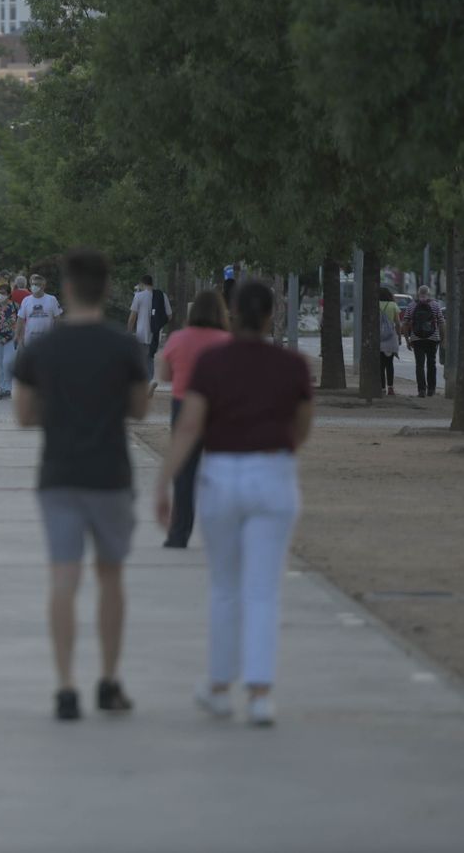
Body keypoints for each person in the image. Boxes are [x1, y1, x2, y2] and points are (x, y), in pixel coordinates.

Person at [153, 280, 313, 727]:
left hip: (222, 475)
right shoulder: (292, 365)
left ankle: (220, 686)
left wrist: (163, 484)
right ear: (271, 316)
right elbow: (301, 428)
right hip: (273, 473)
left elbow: (189, 428)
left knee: (225, 588)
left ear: (235, 312)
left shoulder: (211, 363)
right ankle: (260, 694)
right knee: (263, 589)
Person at [14, 248, 150, 721]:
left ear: (65, 290)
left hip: (59, 475)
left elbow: (24, 416)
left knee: (63, 578)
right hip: (110, 475)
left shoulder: (40, 350)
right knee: (110, 576)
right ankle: (109, 680)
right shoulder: (124, 347)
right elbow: (138, 410)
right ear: (108, 289)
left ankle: (65, 685)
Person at [155, 289, 232, 549]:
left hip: (183, 406)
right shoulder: (227, 341)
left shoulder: (178, 339)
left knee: (184, 473)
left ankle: (179, 533)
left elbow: (165, 375)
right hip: (218, 408)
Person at [401, 285, 445, 398]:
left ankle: (421, 390)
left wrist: (407, 339)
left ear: (418, 293)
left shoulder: (411, 306)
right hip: (432, 338)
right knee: (432, 364)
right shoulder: (435, 305)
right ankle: (431, 389)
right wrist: (442, 338)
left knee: (419, 365)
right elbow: (441, 323)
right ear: (429, 294)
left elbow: (405, 324)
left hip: (417, 339)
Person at [128, 275, 170, 359]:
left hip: (140, 336)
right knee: (151, 363)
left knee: (140, 363)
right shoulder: (162, 295)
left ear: (142, 284)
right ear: (152, 284)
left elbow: (132, 318)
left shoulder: (138, 296)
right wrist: (159, 326)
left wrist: (129, 332)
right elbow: (169, 316)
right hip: (155, 336)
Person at [16, 274, 62, 348]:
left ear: (43, 286)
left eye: (37, 284)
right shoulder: (26, 300)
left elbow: (57, 319)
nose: (34, 286)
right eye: (33, 284)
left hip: (47, 338)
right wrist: (17, 335)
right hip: (30, 339)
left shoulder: (52, 299)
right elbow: (20, 319)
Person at [377, 286, 402, 396]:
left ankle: (382, 387)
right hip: (390, 337)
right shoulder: (393, 305)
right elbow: (397, 323)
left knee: (381, 365)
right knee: (389, 364)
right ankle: (390, 387)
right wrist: (400, 337)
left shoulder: (375, 304)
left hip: (378, 338)